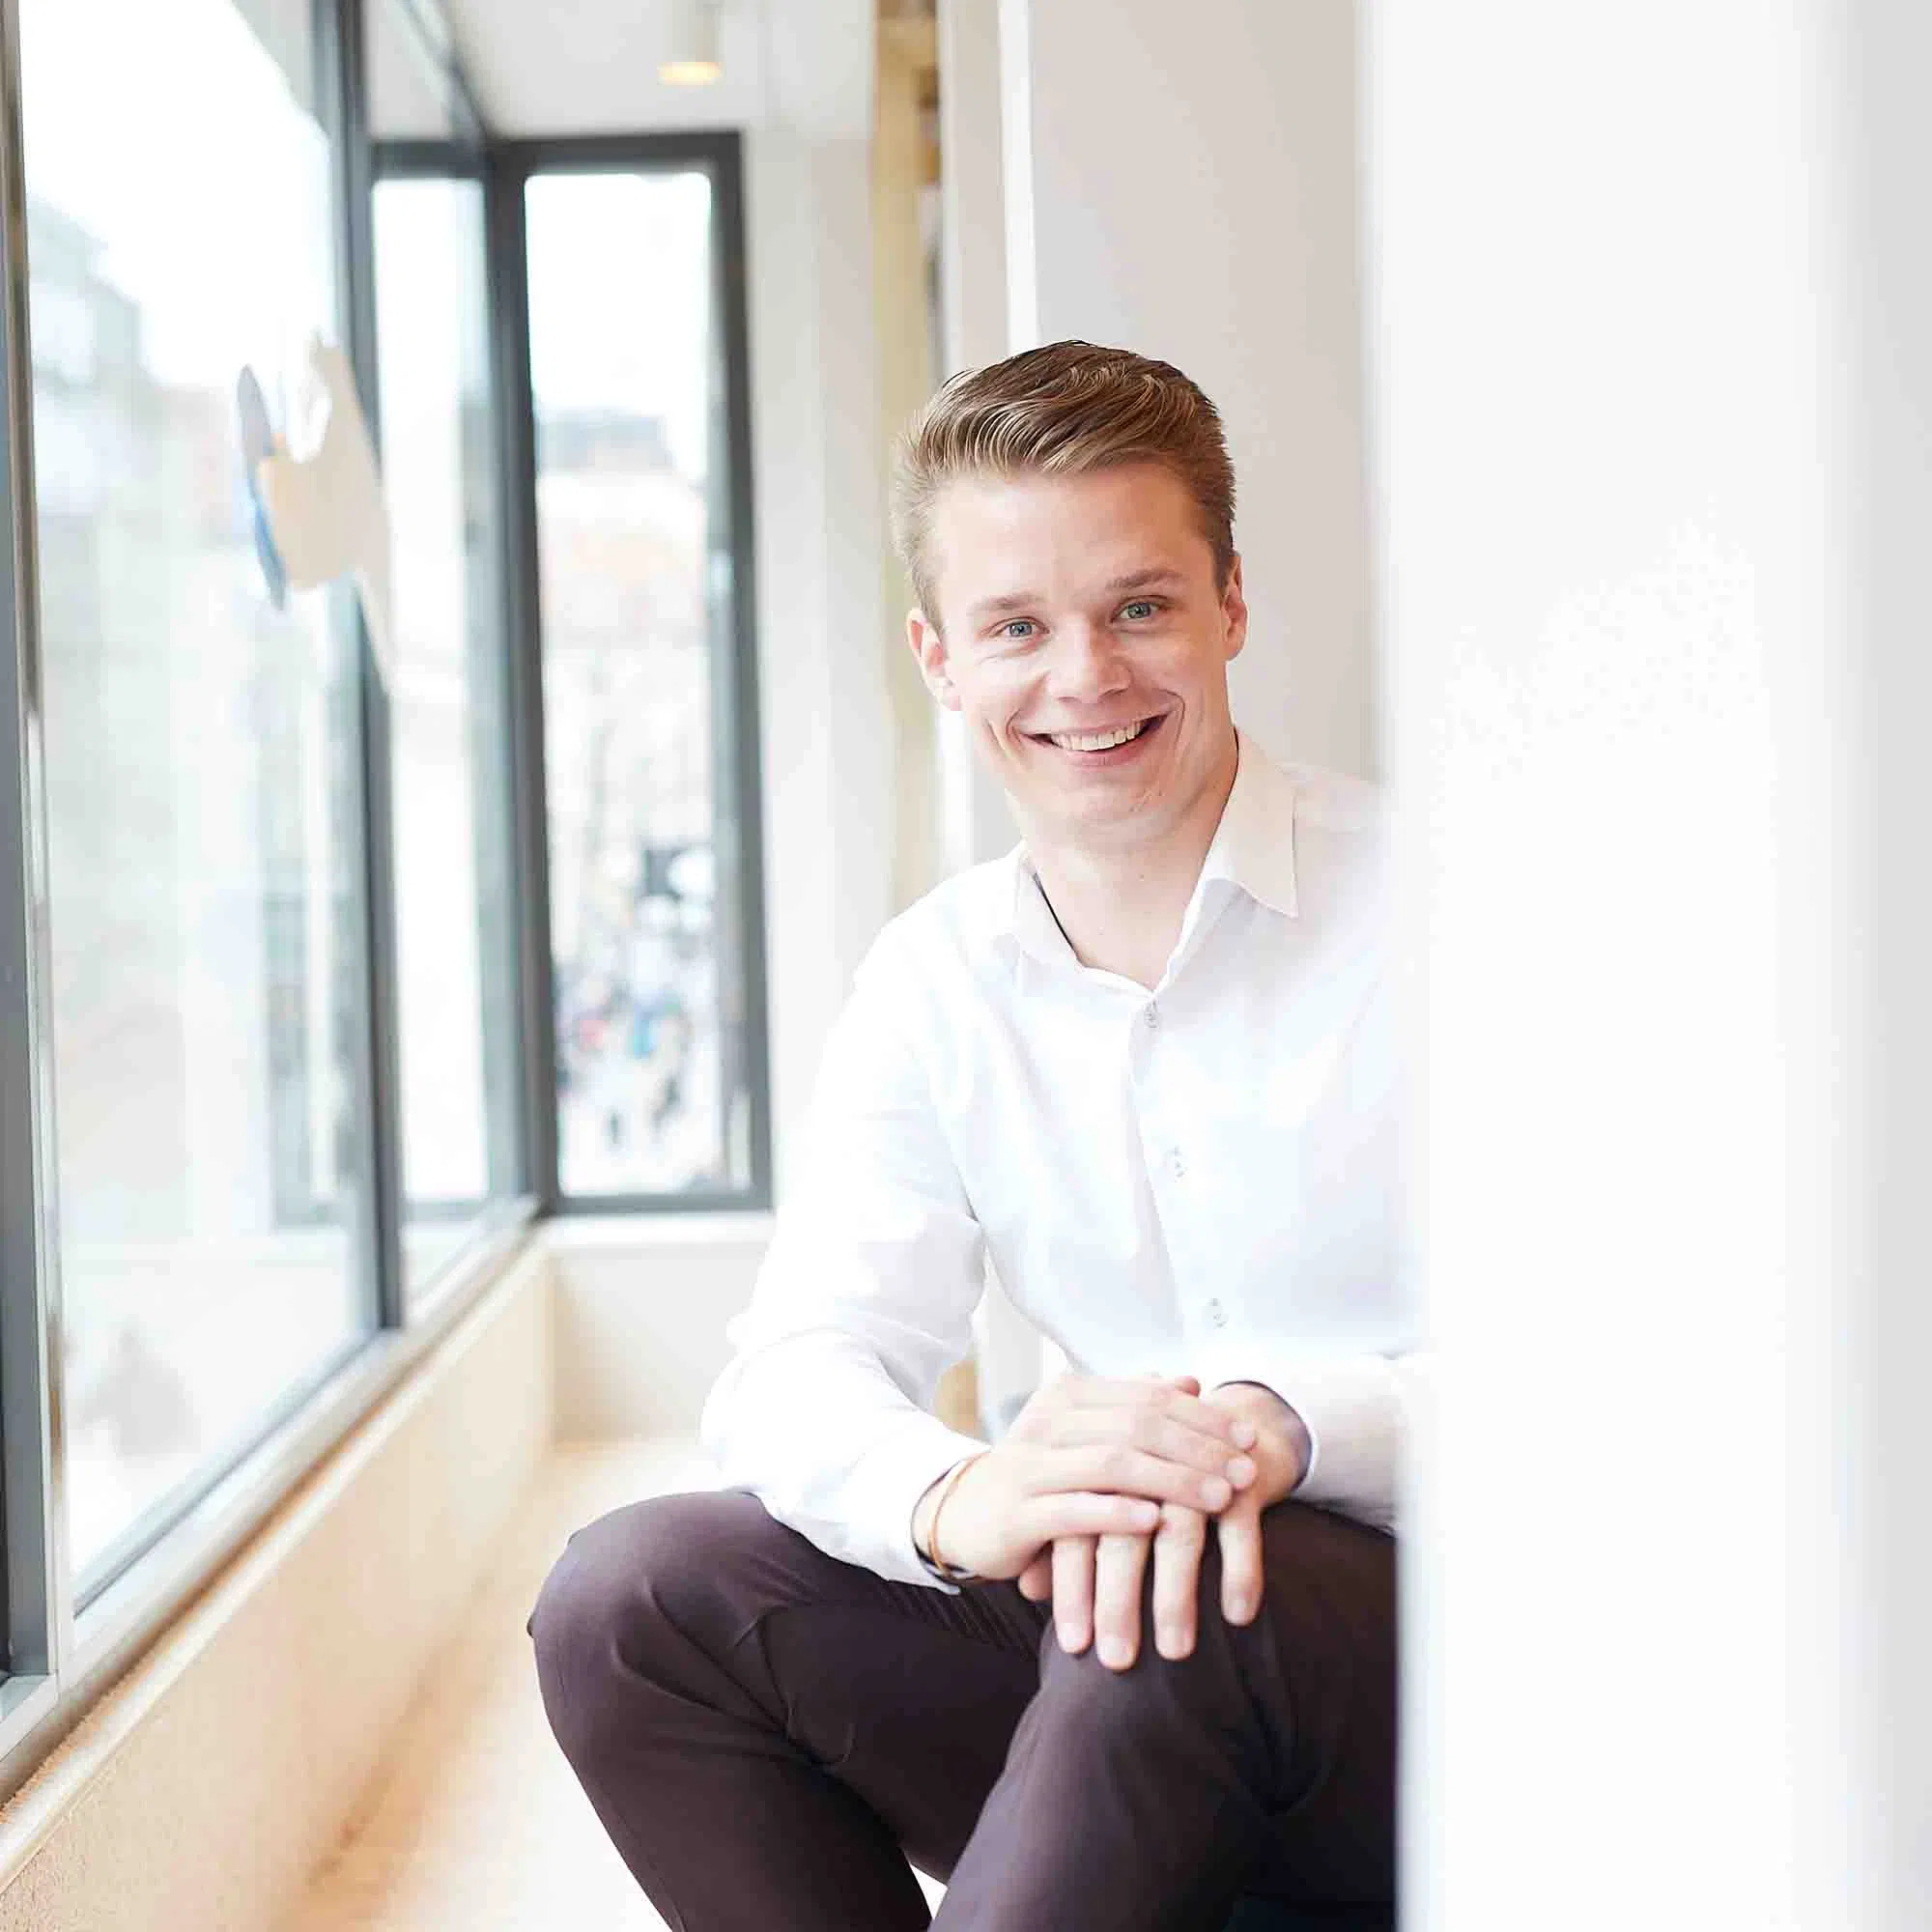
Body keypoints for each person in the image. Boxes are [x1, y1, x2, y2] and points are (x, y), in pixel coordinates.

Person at [526, 341, 1410, 1930]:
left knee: (1193, 1573)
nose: (1084, 678)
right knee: (629, 1600)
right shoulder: (936, 979)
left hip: (1429, 1684)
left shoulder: (1438, 902)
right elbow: (795, 1364)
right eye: (1017, 627)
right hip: (1125, 1676)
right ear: (940, 658)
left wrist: (1288, 1428)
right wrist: (959, 1501)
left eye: (1139, 607)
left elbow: (1632, 1357)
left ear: (1230, 604)